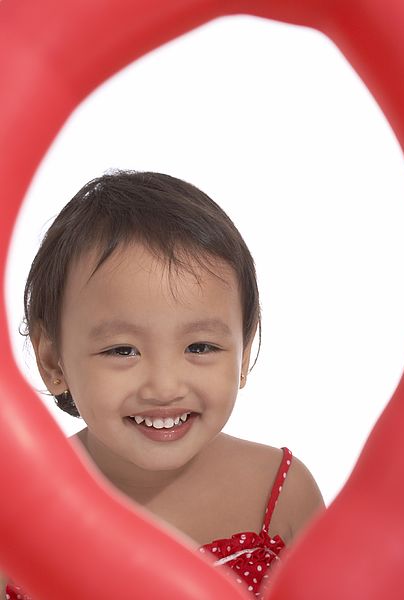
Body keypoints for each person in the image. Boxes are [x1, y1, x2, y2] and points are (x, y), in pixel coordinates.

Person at [2, 170, 325, 599]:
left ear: (244, 352)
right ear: (51, 358)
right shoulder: (18, 515)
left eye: (201, 346)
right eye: (122, 351)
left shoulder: (280, 493)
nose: (164, 385)